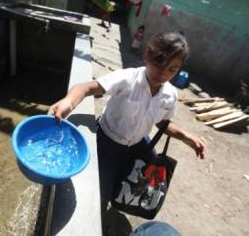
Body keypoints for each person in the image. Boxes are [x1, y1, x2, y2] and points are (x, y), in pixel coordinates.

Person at [48, 32, 206, 212]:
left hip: (138, 146)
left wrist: (185, 136)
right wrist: (68, 102)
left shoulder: (171, 95)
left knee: (128, 182)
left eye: (172, 69)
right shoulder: (127, 79)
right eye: (159, 63)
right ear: (148, 55)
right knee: (100, 185)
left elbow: (162, 123)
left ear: (179, 69)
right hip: (107, 142)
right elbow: (86, 88)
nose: (162, 73)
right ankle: (97, 209)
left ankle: (111, 203)